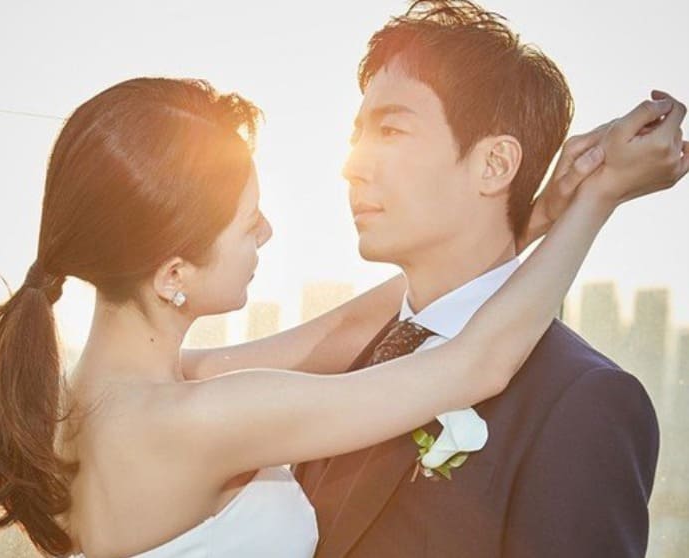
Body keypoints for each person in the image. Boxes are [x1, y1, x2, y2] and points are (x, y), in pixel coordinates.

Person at [0, 73, 684, 558]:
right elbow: (475, 365)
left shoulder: (89, 402)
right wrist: (599, 200)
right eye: (247, 223)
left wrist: (537, 215)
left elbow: (341, 332)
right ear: (173, 274)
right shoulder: (201, 417)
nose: (268, 232)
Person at [286, 2, 687, 557]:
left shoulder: (583, 400)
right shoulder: (351, 361)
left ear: (495, 164)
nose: (351, 165)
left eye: (391, 129)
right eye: (358, 134)